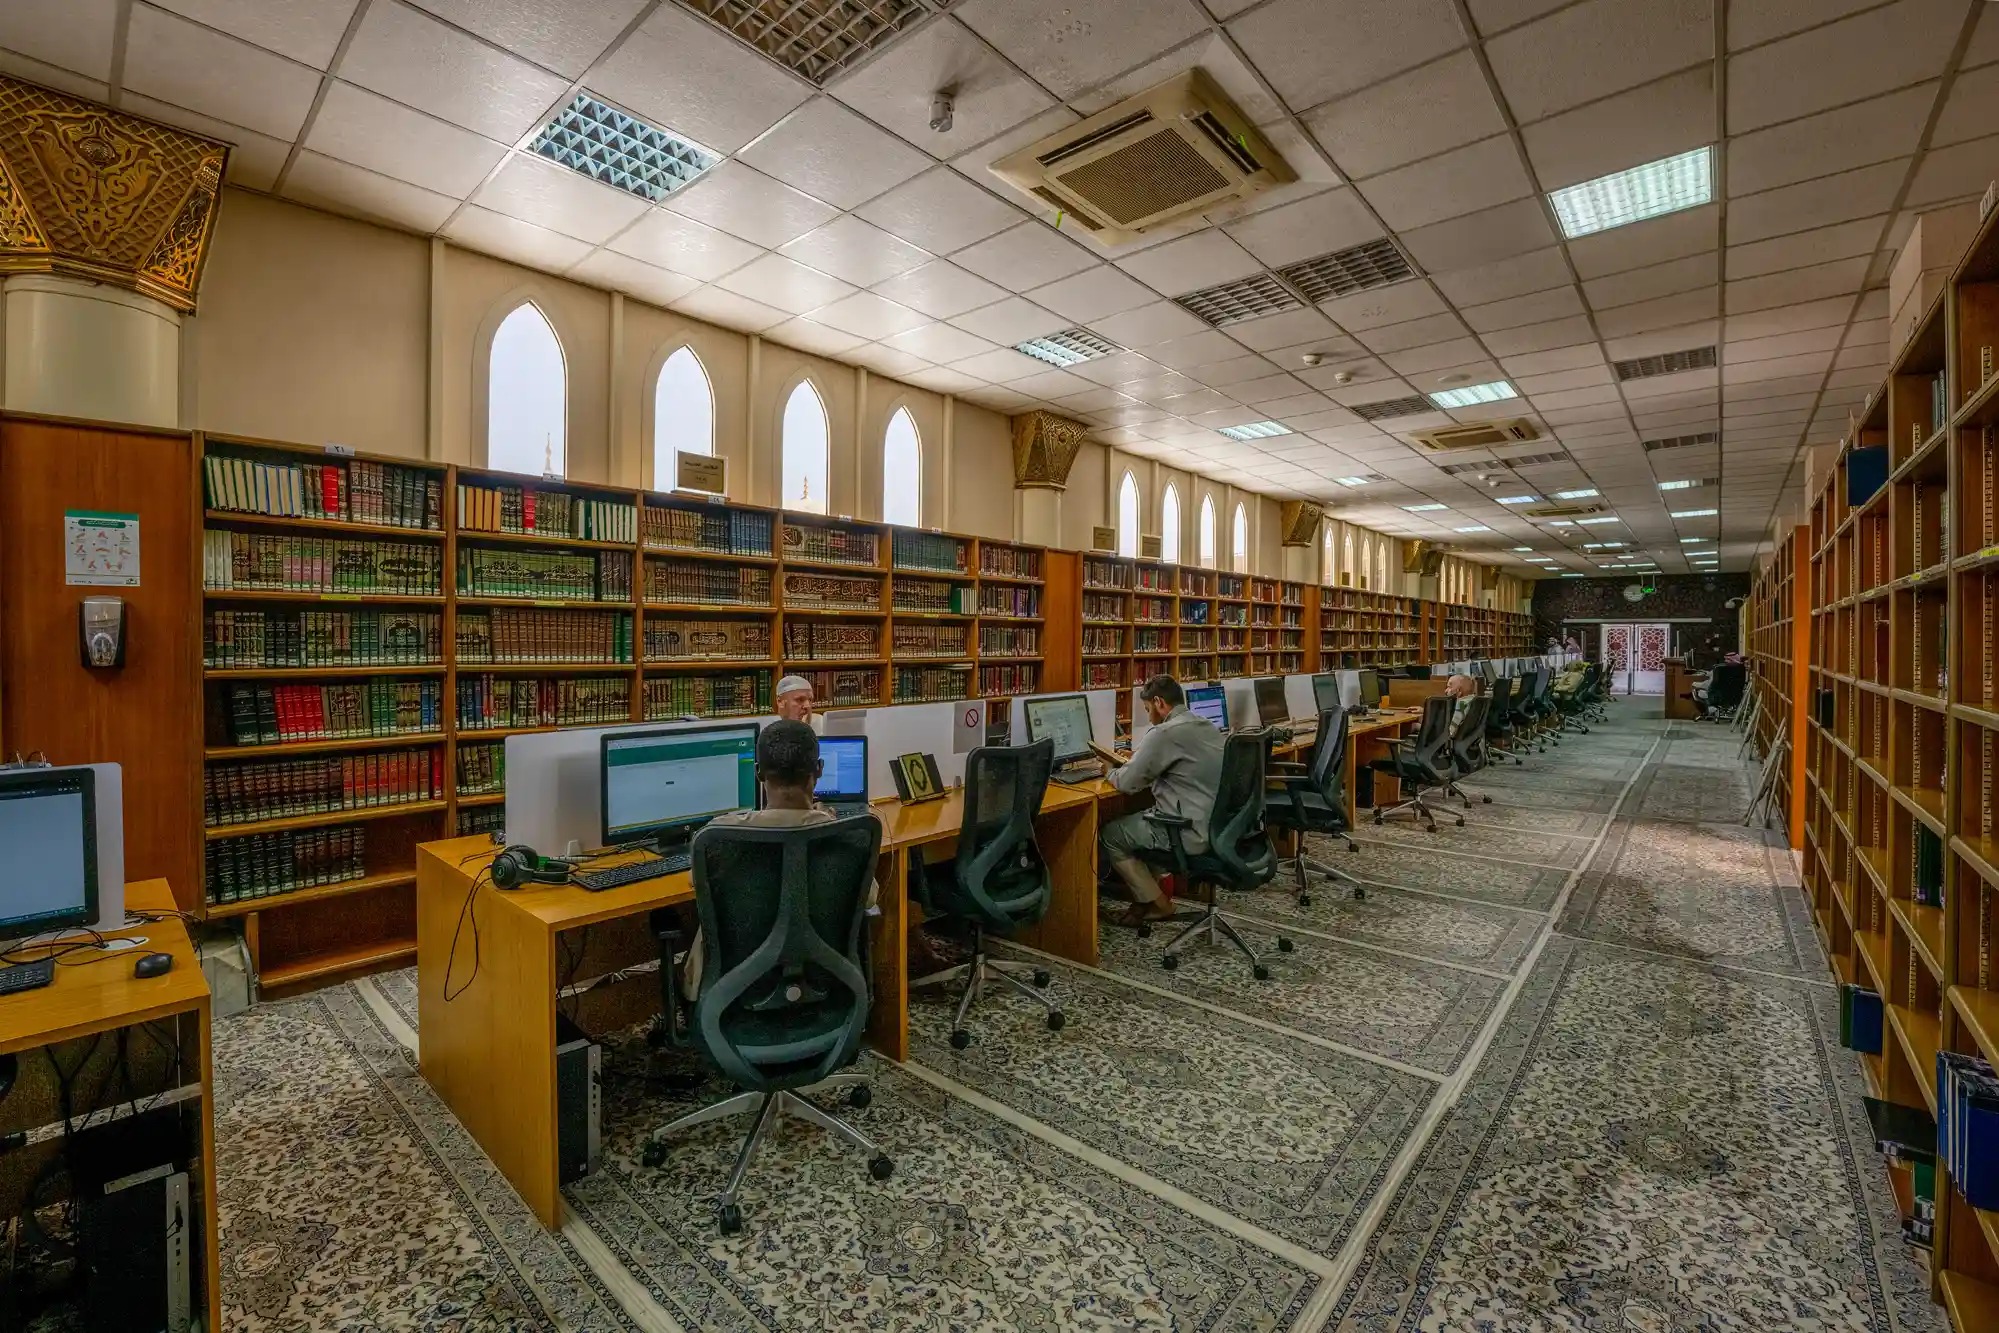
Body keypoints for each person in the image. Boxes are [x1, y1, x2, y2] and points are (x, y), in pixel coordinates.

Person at [1100, 675, 1224, 927]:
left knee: (1112, 833)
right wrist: (1140, 757)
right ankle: (1148, 896)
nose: (1148, 716)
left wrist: (1108, 770)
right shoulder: (1205, 725)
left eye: (1147, 709)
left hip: (1187, 830)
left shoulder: (1165, 732)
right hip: (1218, 826)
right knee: (1142, 817)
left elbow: (1127, 784)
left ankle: (1159, 903)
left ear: (1158, 702)